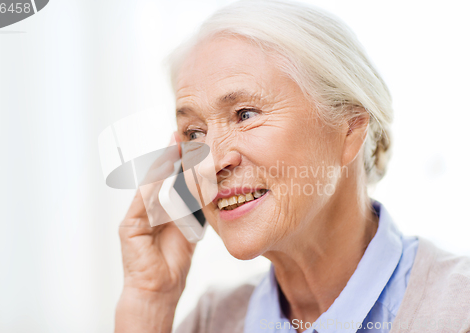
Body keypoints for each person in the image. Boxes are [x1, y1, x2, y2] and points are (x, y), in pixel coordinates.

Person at [114, 1, 470, 332]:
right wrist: (149, 301)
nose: (210, 163)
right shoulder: (211, 322)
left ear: (349, 128)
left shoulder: (458, 309)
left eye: (245, 115)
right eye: (194, 133)